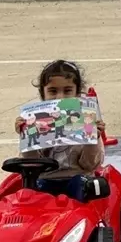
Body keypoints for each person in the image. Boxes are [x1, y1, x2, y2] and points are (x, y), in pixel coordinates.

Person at [14, 61, 105, 202]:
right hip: (45, 180)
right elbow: (31, 163)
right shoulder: (36, 120)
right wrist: (25, 135)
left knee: (80, 185)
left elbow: (90, 165)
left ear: (77, 92)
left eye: (67, 90)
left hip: (77, 178)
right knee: (28, 195)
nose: (60, 97)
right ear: (43, 94)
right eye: (53, 91)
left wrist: (93, 137)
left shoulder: (85, 119)